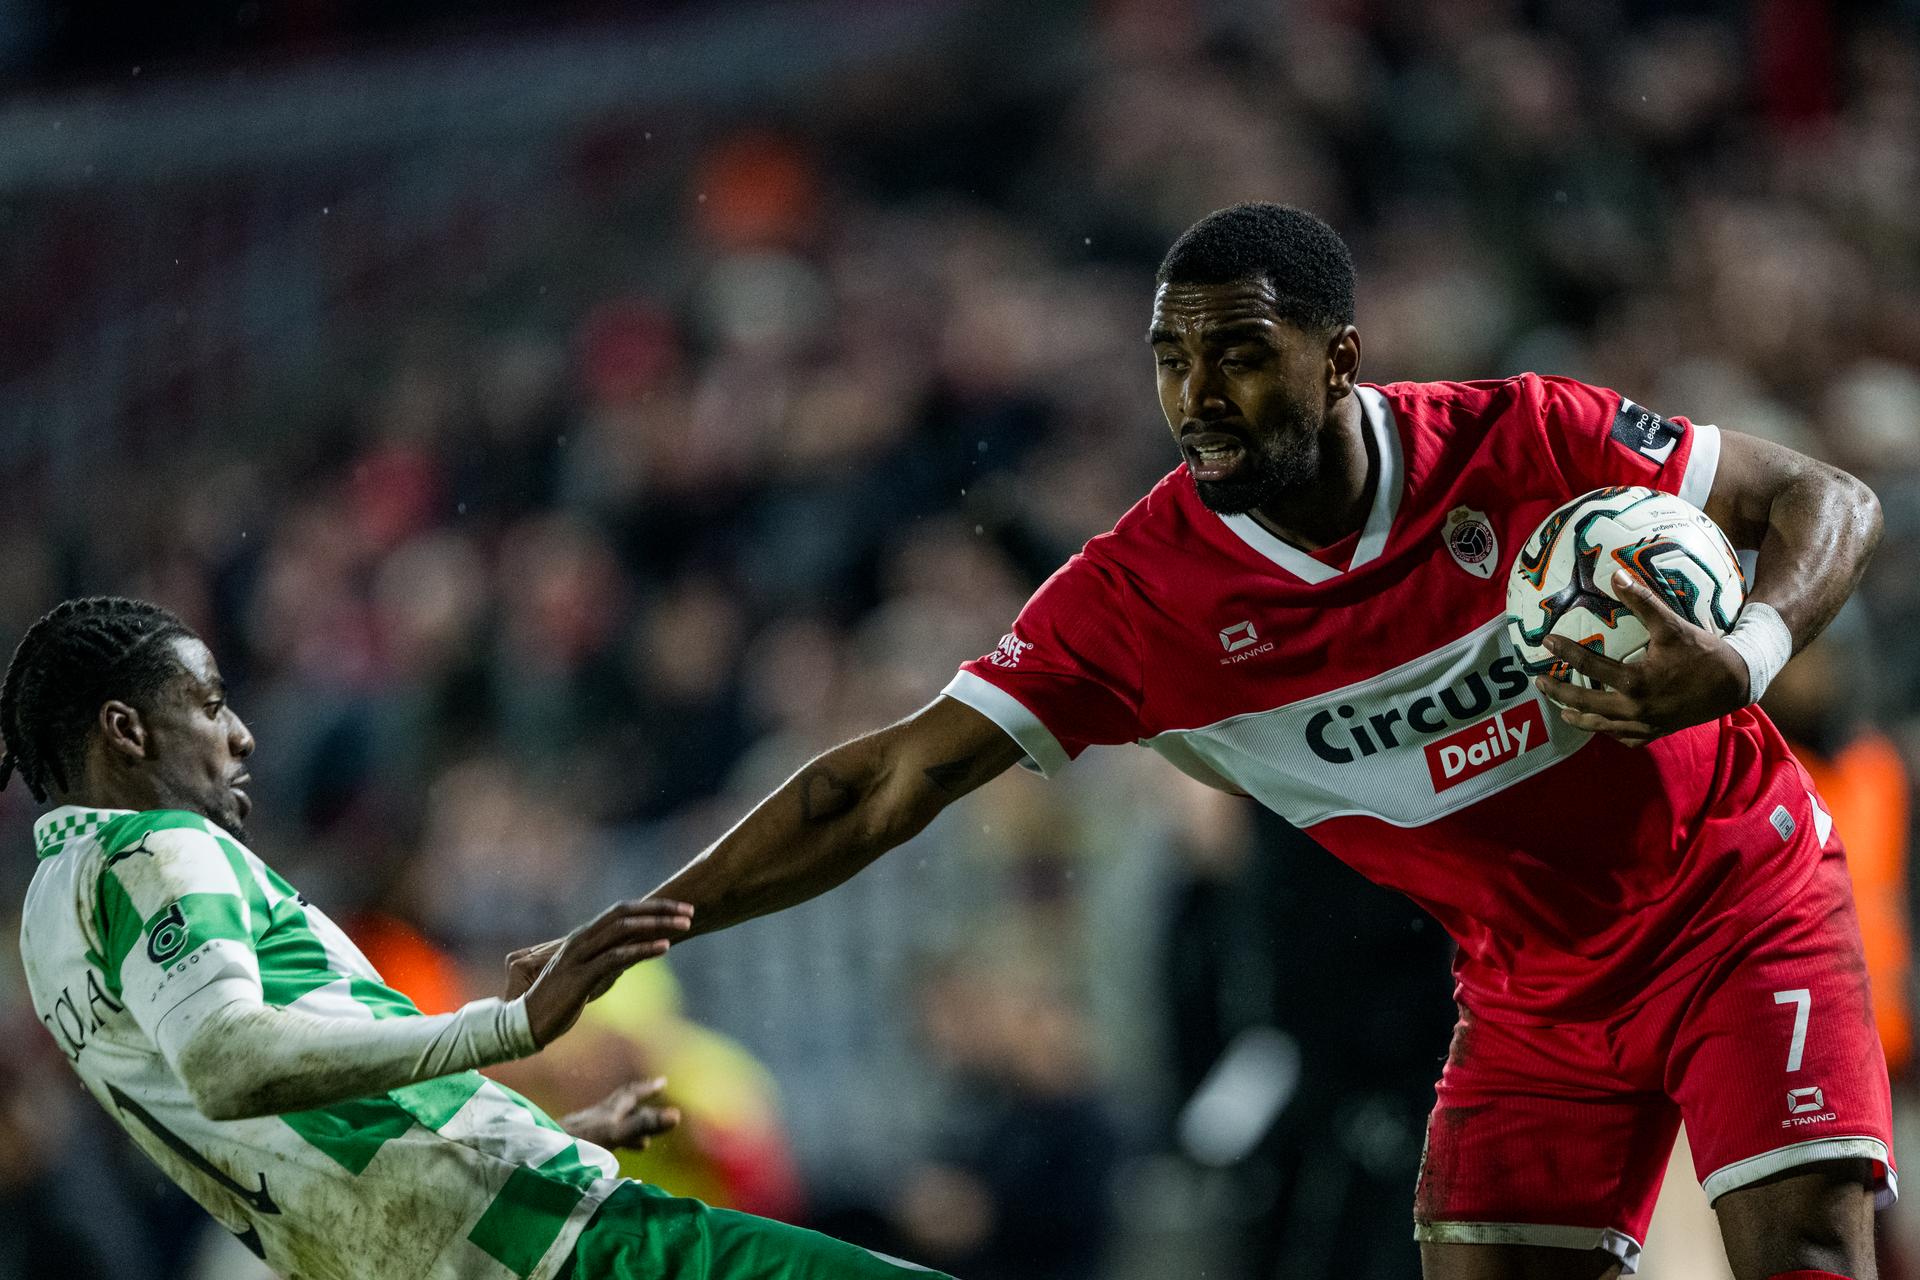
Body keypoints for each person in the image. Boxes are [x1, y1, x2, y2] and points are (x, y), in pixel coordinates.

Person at [617, 204, 1894, 1280]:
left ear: (1340, 358)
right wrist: (639, 922)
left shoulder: (1522, 437)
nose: (1196, 395)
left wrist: (1750, 654)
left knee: (1806, 1251)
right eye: (1170, 358)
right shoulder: (1138, 599)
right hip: (1529, 990)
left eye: (1238, 353)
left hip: (1734, 901)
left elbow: (1825, 498)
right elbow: (888, 777)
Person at [3, 596, 949, 1280]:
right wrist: (513, 1025)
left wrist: (543, 1126)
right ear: (124, 729)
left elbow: (289, 1140)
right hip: (552, 1242)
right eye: (208, 705)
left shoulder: (51, 931)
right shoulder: (161, 846)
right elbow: (228, 1063)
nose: (242, 734)